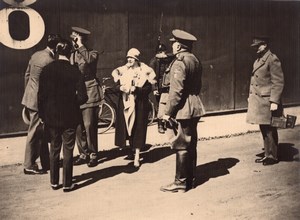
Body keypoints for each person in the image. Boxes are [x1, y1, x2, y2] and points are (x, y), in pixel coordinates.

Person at [38, 39, 88, 192]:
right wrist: (72, 101)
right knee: (68, 149)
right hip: (70, 116)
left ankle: (54, 182)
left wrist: (42, 114)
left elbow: (41, 96)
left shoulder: (47, 70)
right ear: (70, 53)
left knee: (54, 148)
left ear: (57, 52)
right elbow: (83, 97)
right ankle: (67, 183)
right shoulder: (74, 71)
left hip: (51, 116)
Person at [160, 29, 206, 193]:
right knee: (191, 143)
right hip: (194, 105)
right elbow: (198, 86)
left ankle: (180, 182)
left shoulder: (179, 62)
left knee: (181, 144)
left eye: (174, 43)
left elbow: (176, 92)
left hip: (183, 108)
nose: (172, 46)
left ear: (178, 46)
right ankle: (190, 179)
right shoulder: (195, 60)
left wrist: (168, 112)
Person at [21, 34, 60, 174]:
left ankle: (45, 161)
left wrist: (28, 94)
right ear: (56, 47)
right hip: (39, 101)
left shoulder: (36, 55)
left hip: (30, 98)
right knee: (35, 132)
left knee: (39, 132)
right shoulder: (50, 61)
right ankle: (29, 165)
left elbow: (27, 75)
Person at [112, 48, 156, 167]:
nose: (130, 60)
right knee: (128, 127)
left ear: (137, 59)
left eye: (132, 58)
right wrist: (120, 88)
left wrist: (136, 89)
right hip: (125, 103)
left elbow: (148, 89)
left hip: (139, 104)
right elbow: (115, 86)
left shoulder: (144, 71)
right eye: (128, 58)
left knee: (138, 128)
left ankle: (137, 155)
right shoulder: (123, 70)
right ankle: (131, 150)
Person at [246, 36, 284, 165]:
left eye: (258, 46)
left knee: (270, 129)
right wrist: (250, 95)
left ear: (265, 45)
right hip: (259, 100)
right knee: (264, 127)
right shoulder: (259, 60)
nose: (256, 48)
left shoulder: (272, 59)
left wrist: (274, 101)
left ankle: (272, 156)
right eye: (255, 46)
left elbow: (278, 82)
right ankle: (267, 154)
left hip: (268, 100)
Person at [70, 27, 102, 167]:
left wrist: (81, 46)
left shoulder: (92, 53)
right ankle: (83, 153)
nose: (73, 40)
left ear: (82, 39)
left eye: (76, 37)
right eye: (73, 38)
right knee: (78, 126)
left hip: (89, 92)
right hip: (76, 93)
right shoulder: (72, 54)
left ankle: (93, 154)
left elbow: (89, 61)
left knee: (89, 125)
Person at [149, 43, 173, 134]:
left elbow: (175, 55)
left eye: (163, 51)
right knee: (160, 106)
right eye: (159, 52)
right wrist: (154, 89)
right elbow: (152, 77)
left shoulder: (168, 59)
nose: (161, 53)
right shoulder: (154, 62)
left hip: (168, 86)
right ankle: (160, 125)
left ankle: (167, 123)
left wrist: (165, 55)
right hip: (159, 87)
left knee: (169, 105)